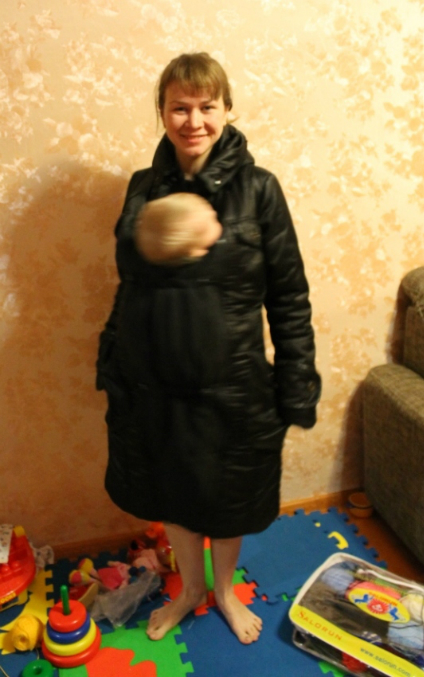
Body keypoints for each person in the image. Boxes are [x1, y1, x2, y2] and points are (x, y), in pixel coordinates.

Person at [96, 52, 321, 644]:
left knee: (228, 498)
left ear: (226, 110)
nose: (193, 121)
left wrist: (297, 381)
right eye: (179, 107)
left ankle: (223, 591)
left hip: (234, 384)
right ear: (162, 113)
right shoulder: (142, 187)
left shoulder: (259, 189)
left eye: (206, 106)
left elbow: (289, 295)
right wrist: (111, 359)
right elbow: (129, 283)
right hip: (155, 382)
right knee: (171, 493)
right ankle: (189, 590)